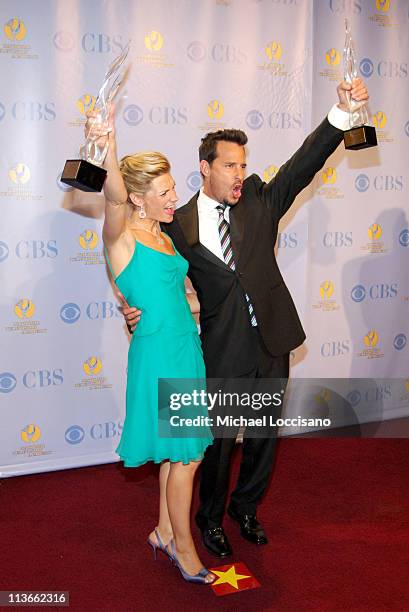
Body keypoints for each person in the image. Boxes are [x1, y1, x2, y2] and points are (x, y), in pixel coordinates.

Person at [122, 78, 370, 557]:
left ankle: (246, 508)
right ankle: (209, 519)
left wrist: (340, 115)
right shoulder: (178, 223)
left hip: (271, 339)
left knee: (261, 436)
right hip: (221, 345)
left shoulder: (260, 200)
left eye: (243, 164)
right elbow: (154, 270)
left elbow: (304, 163)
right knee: (216, 442)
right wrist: (135, 307)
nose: (239, 173)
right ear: (205, 168)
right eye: (230, 165)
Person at [86, 108, 215, 584]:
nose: (174, 199)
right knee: (188, 455)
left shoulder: (164, 237)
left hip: (186, 348)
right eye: (164, 193)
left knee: (172, 453)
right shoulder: (120, 236)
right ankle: (185, 549)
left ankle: (163, 530)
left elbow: (179, 298)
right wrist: (110, 141)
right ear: (138, 199)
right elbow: (113, 195)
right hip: (159, 356)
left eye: (173, 189)